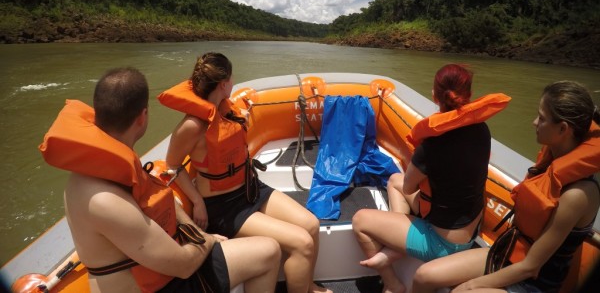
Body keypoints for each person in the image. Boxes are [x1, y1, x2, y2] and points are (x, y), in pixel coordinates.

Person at [40, 67, 281, 293]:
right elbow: (184, 265)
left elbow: (160, 198)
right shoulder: (104, 200)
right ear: (143, 117)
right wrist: (207, 240)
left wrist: (195, 231)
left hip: (164, 270)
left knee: (267, 248)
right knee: (269, 252)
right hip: (162, 286)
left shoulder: (101, 165)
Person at [159, 53, 331, 293]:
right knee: (302, 243)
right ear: (224, 84)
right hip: (224, 207)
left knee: (311, 224)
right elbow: (172, 166)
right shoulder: (193, 125)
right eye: (231, 79)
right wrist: (197, 201)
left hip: (251, 189)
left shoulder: (227, 112)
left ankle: (308, 286)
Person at [410, 80, 600, 293]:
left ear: (563, 129)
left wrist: (470, 285)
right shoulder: (551, 162)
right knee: (424, 276)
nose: (534, 122)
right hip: (507, 253)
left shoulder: (577, 195)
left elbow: (531, 267)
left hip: (532, 282)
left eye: (542, 118)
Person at [352, 64, 510, 293]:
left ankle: (391, 281)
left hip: (443, 243)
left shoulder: (431, 145)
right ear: (470, 95)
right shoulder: (482, 130)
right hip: (471, 229)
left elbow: (410, 186)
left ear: (435, 95)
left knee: (360, 220)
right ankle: (398, 245)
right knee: (394, 179)